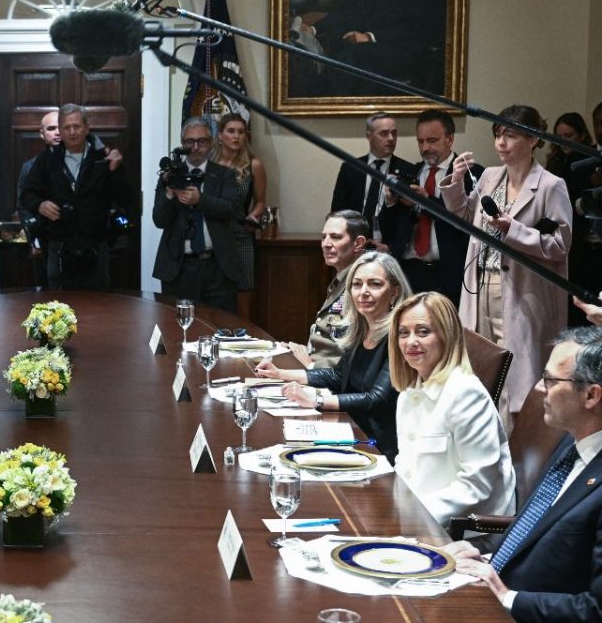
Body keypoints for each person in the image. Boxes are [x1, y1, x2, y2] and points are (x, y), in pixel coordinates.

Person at [446, 327, 602, 621]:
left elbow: (596, 610)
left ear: (591, 395)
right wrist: (487, 560)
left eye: (551, 380)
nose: (540, 388)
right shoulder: (572, 442)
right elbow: (540, 531)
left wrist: (507, 597)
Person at [442, 104, 572, 430]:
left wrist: (511, 229)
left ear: (533, 139)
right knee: (479, 364)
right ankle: (480, 437)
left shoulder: (550, 185)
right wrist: (456, 182)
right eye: (498, 135)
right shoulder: (489, 176)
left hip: (521, 291)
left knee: (516, 375)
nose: (501, 143)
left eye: (510, 135)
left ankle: (514, 448)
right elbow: (463, 216)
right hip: (481, 282)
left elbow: (559, 245)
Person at [256, 252, 413, 461]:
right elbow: (337, 376)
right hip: (351, 429)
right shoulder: (362, 328)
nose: (363, 292)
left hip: (379, 445)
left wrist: (318, 400)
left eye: (375, 284)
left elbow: (377, 400)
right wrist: (280, 373)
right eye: (357, 285)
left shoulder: (400, 336)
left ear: (395, 292)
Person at [388, 292, 515, 526]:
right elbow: (406, 465)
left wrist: (411, 517)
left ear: (447, 336)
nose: (410, 341)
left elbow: (476, 484)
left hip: (464, 529)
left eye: (423, 331)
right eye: (403, 333)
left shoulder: (465, 393)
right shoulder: (409, 392)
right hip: (415, 518)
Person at [19, 103, 130, 290]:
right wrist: (40, 205)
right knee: (59, 309)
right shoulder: (47, 159)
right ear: (60, 131)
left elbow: (127, 199)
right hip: (59, 248)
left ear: (87, 128)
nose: (72, 132)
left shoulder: (104, 158)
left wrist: (116, 173)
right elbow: (26, 195)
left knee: (98, 310)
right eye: (66, 127)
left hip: (96, 247)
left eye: (76, 126)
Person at [379, 109, 482, 307]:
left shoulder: (470, 173)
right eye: (421, 141)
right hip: (408, 272)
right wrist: (391, 202)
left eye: (432, 140)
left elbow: (466, 222)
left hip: (450, 274)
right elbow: (388, 230)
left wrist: (426, 202)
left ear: (450, 139)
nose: (425, 147)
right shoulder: (409, 172)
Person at [299, 0, 431, 96]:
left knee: (350, 57)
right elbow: (345, 13)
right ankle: (322, 98)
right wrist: (314, 29)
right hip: (368, 49)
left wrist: (369, 37)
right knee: (335, 44)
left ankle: (322, 99)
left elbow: (412, 27)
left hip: (398, 48)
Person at [152, 117, 242, 312]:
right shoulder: (169, 175)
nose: (195, 147)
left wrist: (200, 200)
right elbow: (159, 220)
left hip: (217, 267)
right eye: (189, 142)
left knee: (220, 325)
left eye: (201, 141)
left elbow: (232, 210)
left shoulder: (224, 174)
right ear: (182, 143)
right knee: (178, 328)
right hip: (179, 267)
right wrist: (169, 192)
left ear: (210, 143)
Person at [289, 210, 370, 369]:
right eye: (323, 237)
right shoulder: (343, 278)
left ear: (358, 243)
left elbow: (356, 353)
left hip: (331, 379)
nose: (326, 243)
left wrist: (311, 366)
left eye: (335, 237)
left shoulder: (361, 283)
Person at [545, 113, 602, 327]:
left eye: (569, 136)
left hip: (590, 238)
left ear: (581, 135)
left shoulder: (586, 159)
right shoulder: (558, 162)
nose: (564, 141)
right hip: (576, 245)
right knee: (577, 307)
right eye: (559, 136)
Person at [211, 113, 268, 319]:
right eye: (231, 131)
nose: (236, 137)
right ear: (220, 135)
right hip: (214, 235)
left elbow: (260, 201)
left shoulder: (253, 165)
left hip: (240, 235)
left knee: (242, 297)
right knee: (214, 297)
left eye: (241, 132)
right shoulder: (210, 163)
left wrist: (253, 215)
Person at [329, 111, 417, 245]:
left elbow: (407, 218)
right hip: (353, 244)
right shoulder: (351, 168)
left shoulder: (407, 170)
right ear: (369, 136)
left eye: (394, 133)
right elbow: (337, 211)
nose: (391, 138)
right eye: (384, 133)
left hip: (388, 247)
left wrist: (391, 248)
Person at [16, 111, 61, 288]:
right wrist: (34, 242)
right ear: (42, 133)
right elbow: (23, 206)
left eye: (60, 127)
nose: (57, 132)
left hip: (78, 246)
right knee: (47, 299)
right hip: (44, 243)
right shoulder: (30, 167)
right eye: (51, 128)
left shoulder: (85, 162)